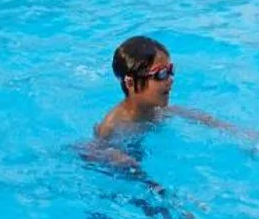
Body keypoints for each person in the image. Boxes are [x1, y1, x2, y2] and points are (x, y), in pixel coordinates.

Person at [93, 35, 244, 146]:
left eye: (170, 70)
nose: (170, 79)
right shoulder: (112, 127)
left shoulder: (156, 109)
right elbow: (94, 152)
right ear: (131, 83)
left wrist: (240, 134)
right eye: (161, 74)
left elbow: (201, 118)